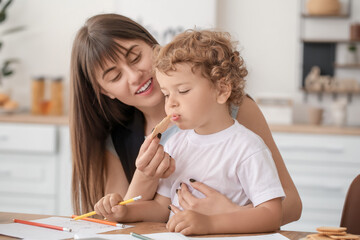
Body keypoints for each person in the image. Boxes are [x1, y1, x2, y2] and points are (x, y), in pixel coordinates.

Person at [70, 13, 302, 225]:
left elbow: (290, 205)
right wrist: (144, 177)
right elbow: (122, 223)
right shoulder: (119, 138)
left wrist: (227, 214)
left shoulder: (232, 111)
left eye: (135, 57)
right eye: (115, 76)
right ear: (105, 92)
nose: (134, 76)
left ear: (154, 47)